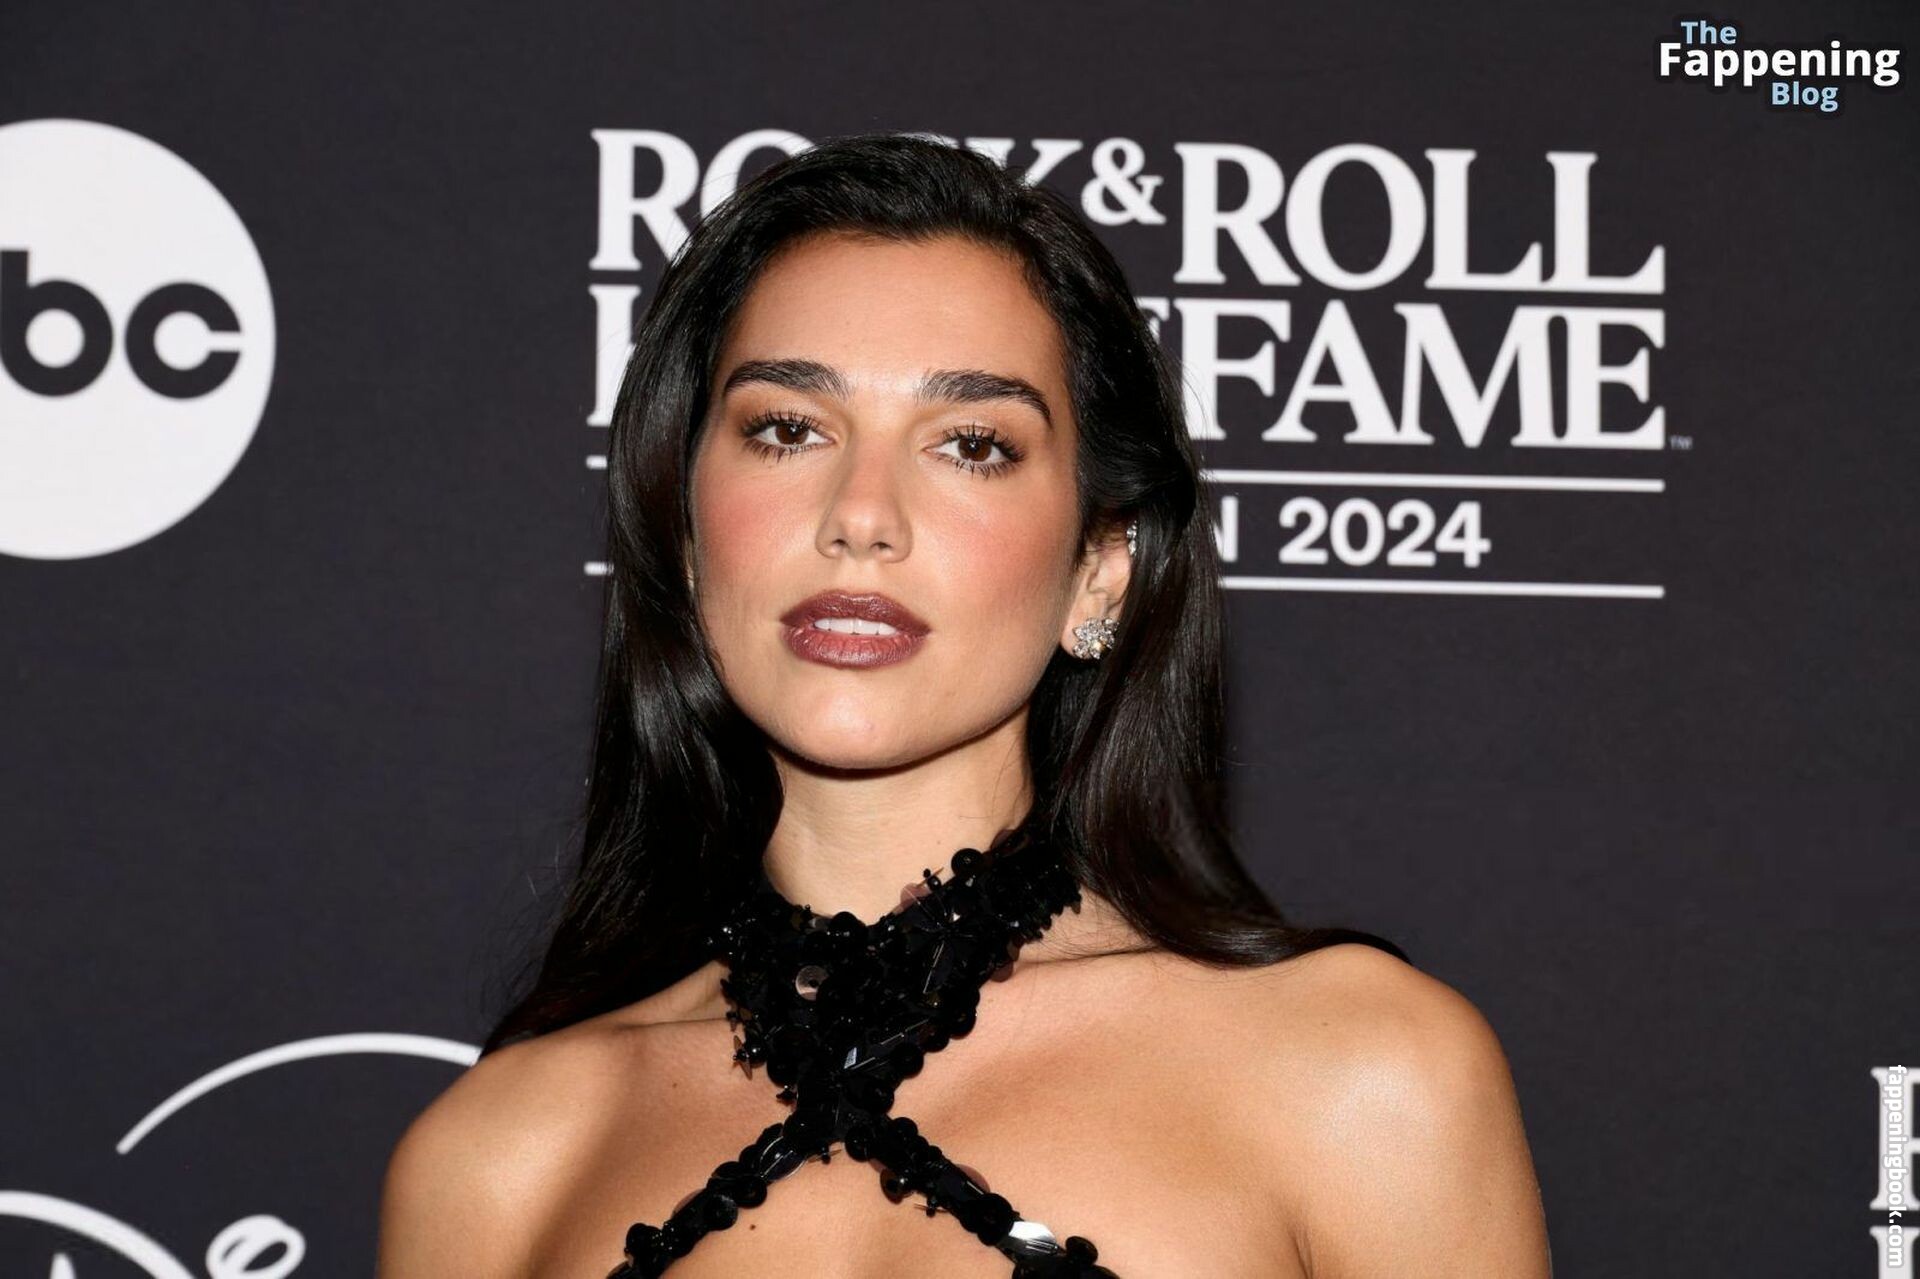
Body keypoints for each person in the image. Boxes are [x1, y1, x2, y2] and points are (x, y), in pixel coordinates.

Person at [375, 132, 1552, 1278]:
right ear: (684, 536)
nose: (861, 514)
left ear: (1101, 569)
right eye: (787, 429)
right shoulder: (499, 1157)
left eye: (973, 445)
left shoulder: (1357, 1073)